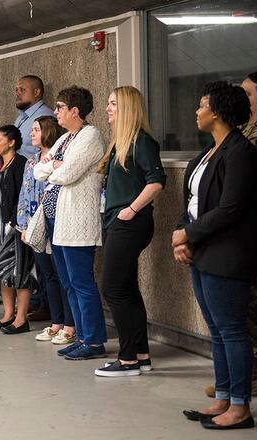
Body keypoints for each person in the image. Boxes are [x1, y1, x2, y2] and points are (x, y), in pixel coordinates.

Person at [177, 81, 257, 430]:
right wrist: (181, 235)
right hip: (202, 250)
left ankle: (240, 407)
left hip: (227, 252)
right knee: (216, 330)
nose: (196, 111)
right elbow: (193, 201)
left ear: (217, 111)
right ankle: (223, 397)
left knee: (232, 330)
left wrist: (188, 234)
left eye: (201, 105)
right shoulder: (208, 152)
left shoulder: (240, 152)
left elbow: (230, 209)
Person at [93, 86, 165, 377]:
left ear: (127, 108)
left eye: (113, 104)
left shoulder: (142, 142)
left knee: (112, 288)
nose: (107, 108)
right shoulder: (119, 144)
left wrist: (131, 209)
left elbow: (156, 182)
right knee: (127, 288)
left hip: (130, 222)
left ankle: (127, 360)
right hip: (116, 221)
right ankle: (140, 355)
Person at [34, 85, 107, 361]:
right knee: (68, 283)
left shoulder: (90, 136)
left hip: (78, 221)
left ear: (75, 111)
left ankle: (94, 341)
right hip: (58, 221)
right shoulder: (65, 138)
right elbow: (38, 169)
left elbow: (67, 174)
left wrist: (54, 167)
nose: (56, 112)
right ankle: (81, 336)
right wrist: (54, 166)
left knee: (81, 283)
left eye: (60, 107)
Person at [203, 71, 257, 398]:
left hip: (246, 233)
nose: (242, 98)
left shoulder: (252, 140)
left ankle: (246, 380)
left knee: (238, 315)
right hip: (234, 234)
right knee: (239, 313)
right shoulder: (240, 136)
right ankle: (242, 377)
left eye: (248, 94)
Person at [19, 116, 75, 345]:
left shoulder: (60, 159)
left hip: (56, 222)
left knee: (63, 276)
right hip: (36, 225)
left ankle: (71, 325)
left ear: (48, 131)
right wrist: (24, 225)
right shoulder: (31, 161)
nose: (31, 134)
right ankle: (56, 322)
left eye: (36, 129)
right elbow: (24, 194)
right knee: (48, 275)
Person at [0, 126, 33, 332]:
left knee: (19, 271)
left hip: (14, 226)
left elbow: (23, 195)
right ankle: (8, 314)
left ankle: (21, 318)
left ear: (11, 142)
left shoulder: (20, 164)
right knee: (3, 271)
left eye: (0, 139)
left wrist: (13, 222)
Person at [14, 75, 55, 159]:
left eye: (22, 90)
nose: (17, 93)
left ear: (36, 92)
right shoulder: (20, 117)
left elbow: (49, 154)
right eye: (16, 90)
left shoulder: (46, 117)